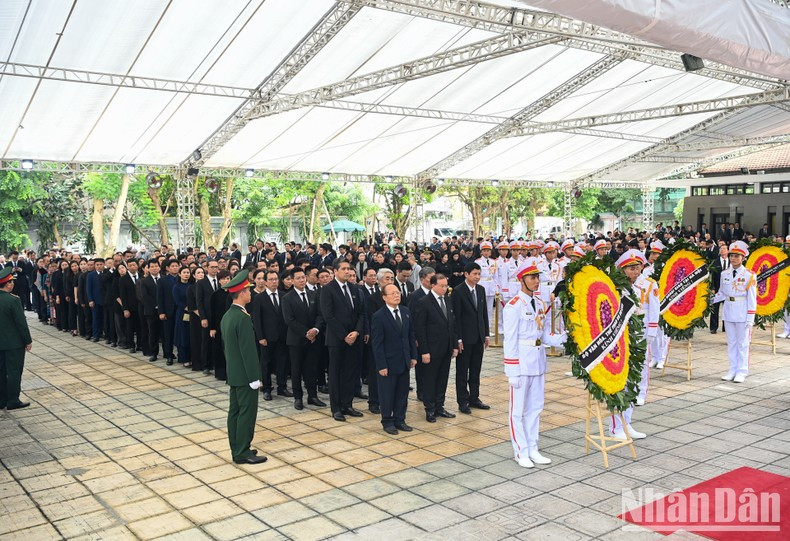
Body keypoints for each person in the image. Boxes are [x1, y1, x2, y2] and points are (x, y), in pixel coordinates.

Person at [503, 258, 567, 467]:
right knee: (518, 410)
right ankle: (520, 451)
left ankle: (533, 447)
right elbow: (510, 340)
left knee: (536, 408)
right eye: (532, 277)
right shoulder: (513, 306)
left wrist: (566, 339)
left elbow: (545, 335)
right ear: (522, 280)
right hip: (521, 363)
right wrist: (511, 370)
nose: (536, 281)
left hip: (538, 361)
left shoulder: (540, 303)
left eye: (537, 277)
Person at [220, 270, 267, 465]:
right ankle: (242, 451)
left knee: (235, 413)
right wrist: (255, 378)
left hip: (234, 373)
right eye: (248, 290)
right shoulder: (242, 318)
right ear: (241, 293)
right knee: (246, 413)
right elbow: (248, 352)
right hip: (246, 376)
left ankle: (237, 446)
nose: (250, 293)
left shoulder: (228, 316)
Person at [320, 259, 365, 421]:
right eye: (344, 269)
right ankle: (336, 408)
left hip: (354, 338)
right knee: (336, 373)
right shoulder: (328, 289)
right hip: (337, 339)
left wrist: (356, 332)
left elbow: (361, 313)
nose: (347, 271)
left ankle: (348, 404)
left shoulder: (354, 288)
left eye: (349, 269)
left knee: (350, 373)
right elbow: (328, 316)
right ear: (336, 271)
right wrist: (345, 335)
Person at [371, 283, 417, 435]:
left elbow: (410, 336)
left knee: (402, 393)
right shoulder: (379, 316)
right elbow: (377, 344)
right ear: (384, 297)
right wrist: (381, 365)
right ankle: (387, 421)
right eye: (392, 293)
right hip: (388, 363)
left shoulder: (405, 311)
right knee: (387, 394)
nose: (397, 295)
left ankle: (400, 419)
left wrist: (413, 356)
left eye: (398, 292)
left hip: (403, 360)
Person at [414, 273, 458, 423]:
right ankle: (430, 409)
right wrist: (424, 351)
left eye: (446, 286)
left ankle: (440, 406)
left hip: (446, 348)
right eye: (441, 286)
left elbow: (451, 324)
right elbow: (420, 329)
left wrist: (454, 346)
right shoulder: (424, 302)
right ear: (433, 285)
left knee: (442, 379)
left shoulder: (447, 299)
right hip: (431, 350)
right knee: (430, 380)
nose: (445, 289)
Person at [281, 267, 326, 410]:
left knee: (311, 369)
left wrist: (315, 330)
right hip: (296, 340)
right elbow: (289, 320)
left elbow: (320, 315)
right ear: (292, 280)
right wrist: (307, 333)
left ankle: (312, 396)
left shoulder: (314, 294)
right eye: (298, 278)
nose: (302, 280)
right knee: (296, 370)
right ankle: (298, 398)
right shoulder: (287, 298)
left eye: (303, 277)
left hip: (314, 339)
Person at [713, 241, 756, 383]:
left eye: (737, 256)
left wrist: (750, 318)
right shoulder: (725, 273)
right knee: (731, 342)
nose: (733, 259)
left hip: (742, 311)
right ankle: (732, 369)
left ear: (743, 258)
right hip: (728, 310)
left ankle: (742, 371)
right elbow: (721, 293)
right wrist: (707, 300)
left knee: (743, 343)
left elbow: (752, 298)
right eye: (732, 256)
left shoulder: (749, 275)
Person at [453, 262, 490, 414]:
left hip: (478, 337)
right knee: (462, 371)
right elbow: (456, 317)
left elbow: (483, 314)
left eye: (479, 274)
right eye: (474, 274)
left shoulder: (481, 290)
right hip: (465, 339)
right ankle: (462, 400)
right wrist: (458, 339)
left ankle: (474, 398)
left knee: (476, 369)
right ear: (466, 274)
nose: (477, 277)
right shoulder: (458, 291)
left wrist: (486, 334)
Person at [250, 270, 292, 400]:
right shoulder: (258, 298)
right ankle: (267, 388)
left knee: (282, 362)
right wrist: (260, 337)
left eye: (276, 279)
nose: (274, 282)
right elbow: (256, 319)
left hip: (282, 336)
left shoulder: (284, 295)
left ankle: (282, 387)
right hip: (267, 337)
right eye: (271, 279)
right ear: (265, 282)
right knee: (266, 363)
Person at [0, 267, 32, 410]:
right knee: (13, 371)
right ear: (8, 284)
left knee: (1, 371)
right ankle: (13, 400)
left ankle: (2, 400)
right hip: (13, 343)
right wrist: (28, 340)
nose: (13, 284)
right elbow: (21, 323)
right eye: (12, 282)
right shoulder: (13, 301)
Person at [172, 266, 192, 367]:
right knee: (182, 335)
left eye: (188, 272)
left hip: (192, 313)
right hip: (182, 313)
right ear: (179, 274)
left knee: (190, 335)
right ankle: (183, 358)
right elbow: (177, 301)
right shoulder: (176, 286)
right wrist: (186, 307)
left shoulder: (191, 285)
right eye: (184, 272)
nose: (186, 274)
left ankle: (191, 357)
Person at [709, 244, 729, 335]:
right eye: (721, 249)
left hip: (728, 291)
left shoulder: (731, 263)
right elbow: (711, 277)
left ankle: (726, 327)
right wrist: (712, 287)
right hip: (717, 289)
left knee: (727, 309)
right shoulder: (715, 262)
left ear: (728, 251)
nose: (722, 250)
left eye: (724, 249)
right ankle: (713, 327)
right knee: (714, 309)